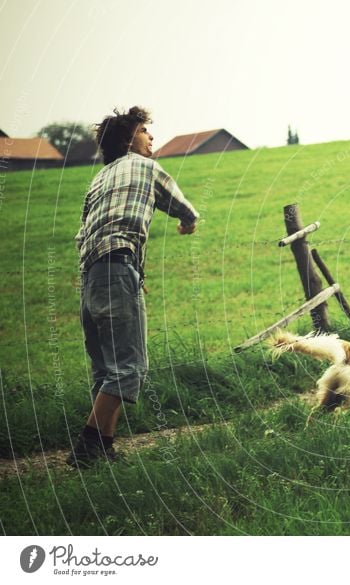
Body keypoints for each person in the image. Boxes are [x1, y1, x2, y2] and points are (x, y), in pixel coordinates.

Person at [67, 106, 199, 468]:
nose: (151, 137)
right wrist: (188, 225)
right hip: (117, 268)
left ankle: (104, 450)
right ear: (128, 139)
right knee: (129, 369)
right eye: (144, 130)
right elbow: (183, 207)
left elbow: (84, 231)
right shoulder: (146, 167)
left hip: (90, 277)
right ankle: (87, 447)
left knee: (105, 370)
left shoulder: (97, 180)